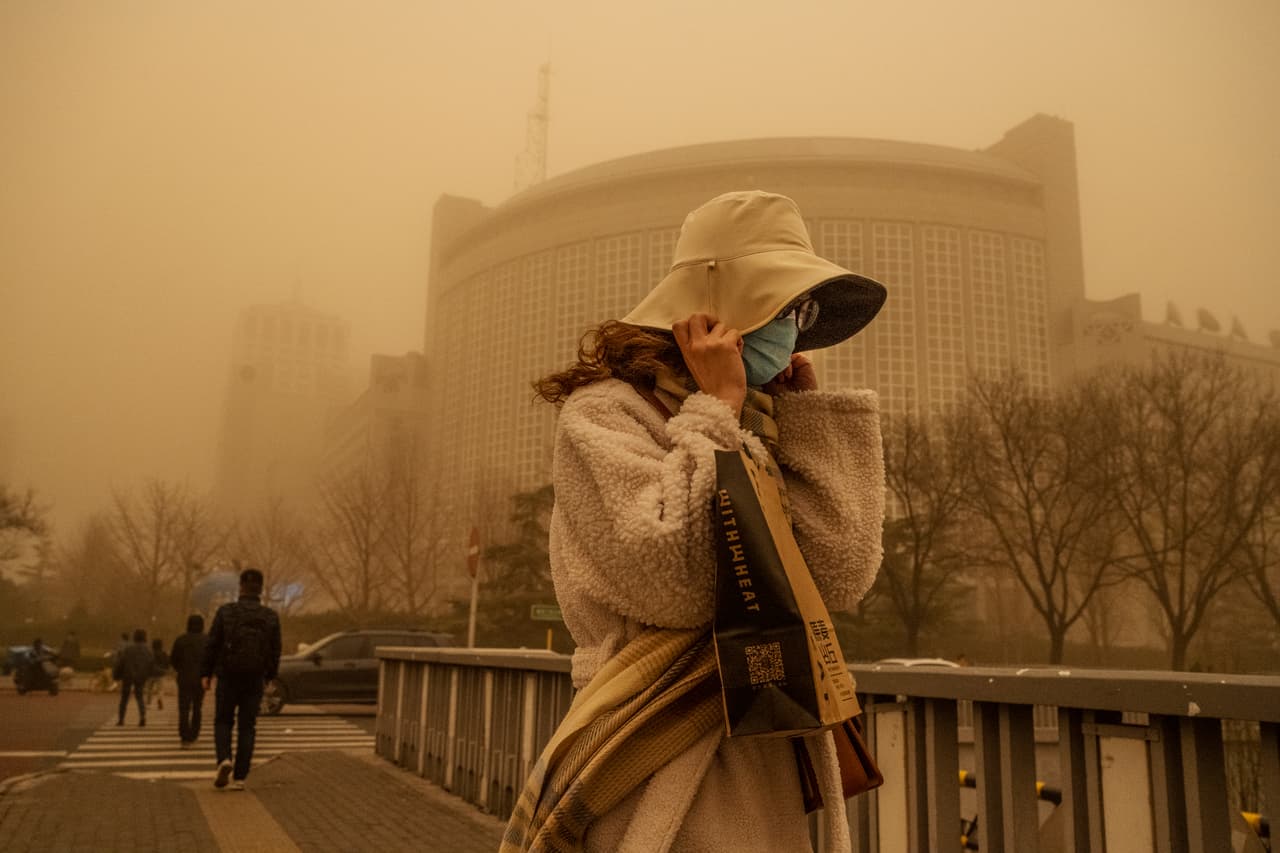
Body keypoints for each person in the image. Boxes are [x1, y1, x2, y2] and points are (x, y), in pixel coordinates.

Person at [506, 190, 887, 853]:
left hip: (761, 734)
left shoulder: (761, 424)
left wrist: (808, 421)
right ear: (715, 305)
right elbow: (672, 583)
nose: (793, 326)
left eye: (803, 310)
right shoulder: (606, 415)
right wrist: (715, 408)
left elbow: (841, 571)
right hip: (651, 746)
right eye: (781, 303)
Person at [201, 567, 281, 791]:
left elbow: (212, 644)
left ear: (241, 587)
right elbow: (276, 650)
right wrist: (270, 676)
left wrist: (205, 673)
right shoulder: (270, 616)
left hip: (228, 675)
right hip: (255, 677)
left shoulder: (226, 612)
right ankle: (240, 778)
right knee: (248, 726)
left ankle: (224, 759)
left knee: (223, 720)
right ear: (260, 589)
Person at [170, 614, 207, 748]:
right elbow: (212, 660)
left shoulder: (181, 640)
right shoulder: (207, 640)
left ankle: (184, 737)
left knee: (184, 708)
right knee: (197, 707)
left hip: (184, 677)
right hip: (201, 679)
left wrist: (180, 668)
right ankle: (194, 734)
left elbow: (173, 659)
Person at [115, 629, 154, 726]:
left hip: (128, 675)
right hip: (141, 676)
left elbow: (121, 663)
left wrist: (117, 674)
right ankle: (142, 717)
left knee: (124, 698)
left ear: (135, 637)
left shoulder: (128, 649)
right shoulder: (147, 650)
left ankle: (121, 719)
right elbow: (151, 664)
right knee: (140, 697)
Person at [146, 637, 169, 709]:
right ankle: (159, 699)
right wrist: (166, 669)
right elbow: (167, 662)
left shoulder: (150, 653)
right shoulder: (164, 653)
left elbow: (147, 663)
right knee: (160, 689)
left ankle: (148, 703)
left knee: (149, 689)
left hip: (151, 674)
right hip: (161, 674)